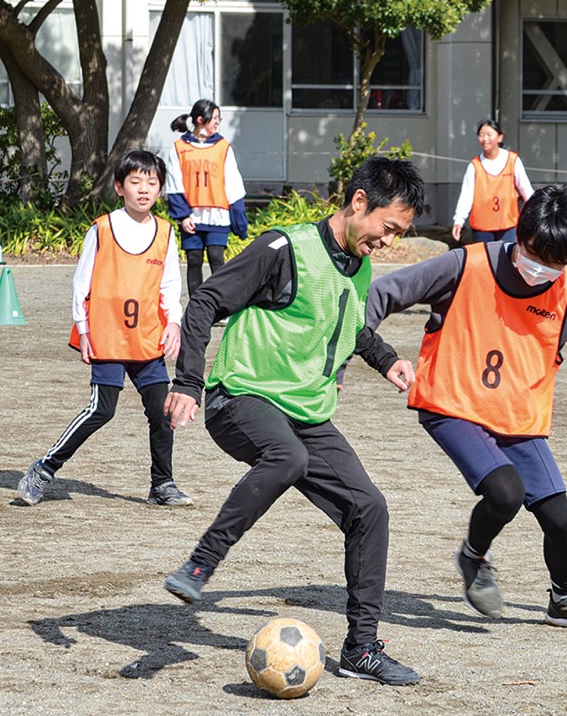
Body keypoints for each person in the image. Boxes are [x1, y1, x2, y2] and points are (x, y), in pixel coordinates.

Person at [364, 184, 567, 632]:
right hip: (451, 404)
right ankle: (474, 556)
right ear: (521, 232)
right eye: (534, 255)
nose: (540, 272)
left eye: (555, 264)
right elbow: (381, 294)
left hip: (517, 418)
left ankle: (565, 599)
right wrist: (372, 352)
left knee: (562, 523)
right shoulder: (465, 263)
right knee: (505, 491)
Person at [161, 157, 427, 686]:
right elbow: (206, 301)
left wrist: (387, 359)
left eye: (398, 233)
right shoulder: (284, 249)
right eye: (387, 228)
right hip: (240, 396)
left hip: (305, 411)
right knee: (288, 456)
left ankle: (361, 649)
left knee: (369, 508)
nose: (389, 242)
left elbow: (351, 328)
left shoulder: (358, 264)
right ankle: (201, 563)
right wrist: (188, 382)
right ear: (358, 203)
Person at [17, 150, 192, 508]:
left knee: (162, 411)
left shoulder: (165, 232)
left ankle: (162, 485)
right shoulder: (102, 229)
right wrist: (83, 330)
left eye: (152, 183)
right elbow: (82, 285)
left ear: (160, 190)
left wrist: (173, 321)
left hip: (146, 338)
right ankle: (44, 469)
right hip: (108, 335)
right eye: (135, 182)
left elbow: (169, 285)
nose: (144, 190)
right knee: (102, 409)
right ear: (119, 187)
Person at [165, 99, 249, 298]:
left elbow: (233, 184)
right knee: (193, 260)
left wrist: (239, 221)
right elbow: (174, 183)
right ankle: (197, 309)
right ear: (201, 119)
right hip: (191, 217)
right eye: (215, 118)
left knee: (216, 259)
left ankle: (220, 306)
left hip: (217, 216)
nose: (218, 122)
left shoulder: (223, 147)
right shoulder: (178, 148)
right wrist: (183, 216)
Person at [451, 119, 535, 245]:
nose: (485, 139)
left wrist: (537, 213)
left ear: (499, 137)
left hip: (508, 225)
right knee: (485, 262)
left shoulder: (513, 160)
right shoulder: (475, 165)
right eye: (481, 135)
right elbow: (466, 196)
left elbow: (526, 190)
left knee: (506, 261)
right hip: (481, 227)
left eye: (489, 134)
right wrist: (459, 220)